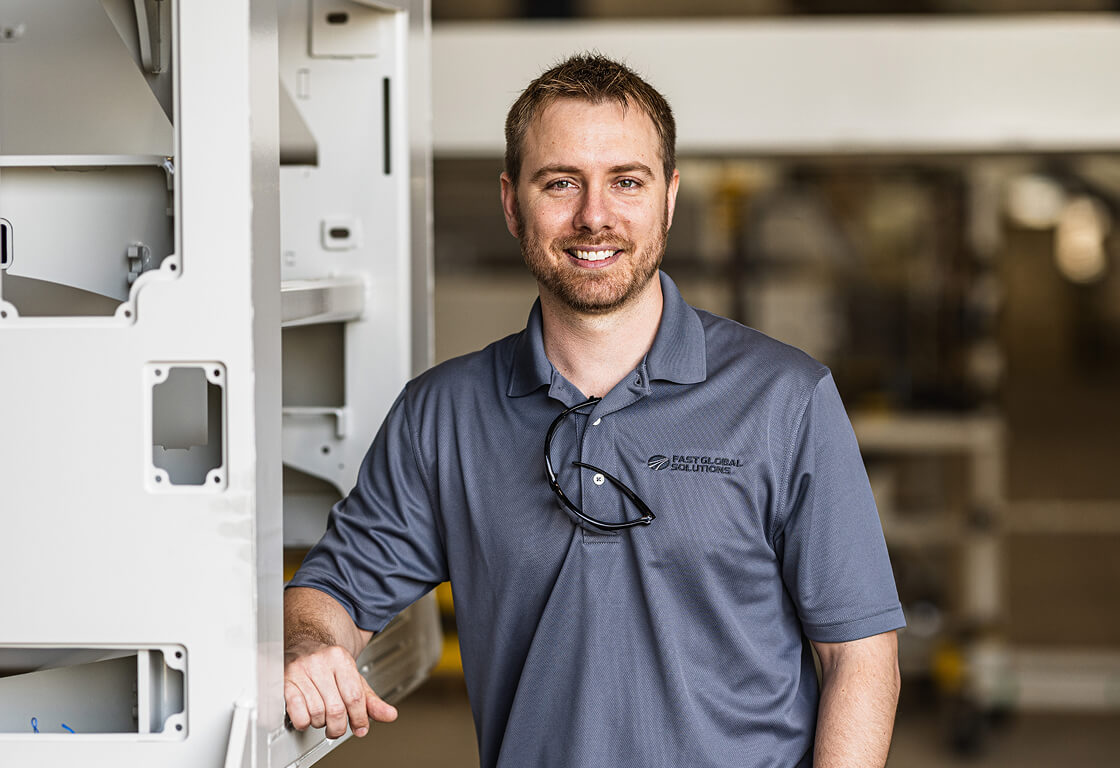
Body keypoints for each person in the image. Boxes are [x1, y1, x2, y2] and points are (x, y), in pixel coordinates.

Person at [284, 54, 904, 768]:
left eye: (626, 182)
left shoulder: (785, 399)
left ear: (668, 198)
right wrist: (311, 648)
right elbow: (329, 592)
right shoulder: (443, 415)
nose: (594, 217)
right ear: (512, 202)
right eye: (560, 183)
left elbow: (858, 656)